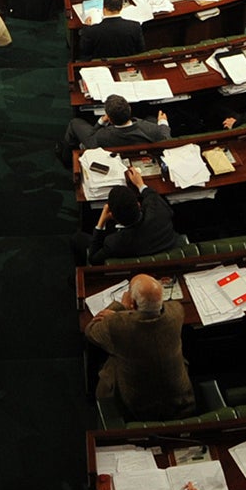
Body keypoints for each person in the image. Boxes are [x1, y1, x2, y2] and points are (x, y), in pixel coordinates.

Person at [85, 273, 194, 419]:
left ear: (133, 304)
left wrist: (120, 307)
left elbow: (91, 330)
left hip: (136, 407)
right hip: (181, 401)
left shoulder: (117, 325)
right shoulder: (176, 311)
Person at [85, 171, 176, 264]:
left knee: (78, 238)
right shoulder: (159, 212)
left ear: (112, 216)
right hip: (164, 250)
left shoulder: (114, 243)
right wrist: (140, 184)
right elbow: (152, 196)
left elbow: (93, 259)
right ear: (138, 204)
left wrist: (101, 223)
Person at [64, 93, 168, 157]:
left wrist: (101, 122)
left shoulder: (102, 135)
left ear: (110, 119)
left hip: (113, 147)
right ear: (130, 109)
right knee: (152, 119)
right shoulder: (152, 129)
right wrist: (163, 122)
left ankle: (67, 154)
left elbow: (92, 141)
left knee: (75, 123)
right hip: (138, 151)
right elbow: (166, 137)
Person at [79, 0, 144, 60]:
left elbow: (85, 53)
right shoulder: (135, 27)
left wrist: (86, 27)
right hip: (128, 63)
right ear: (121, 7)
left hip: (102, 65)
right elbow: (141, 50)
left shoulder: (90, 31)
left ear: (104, 8)